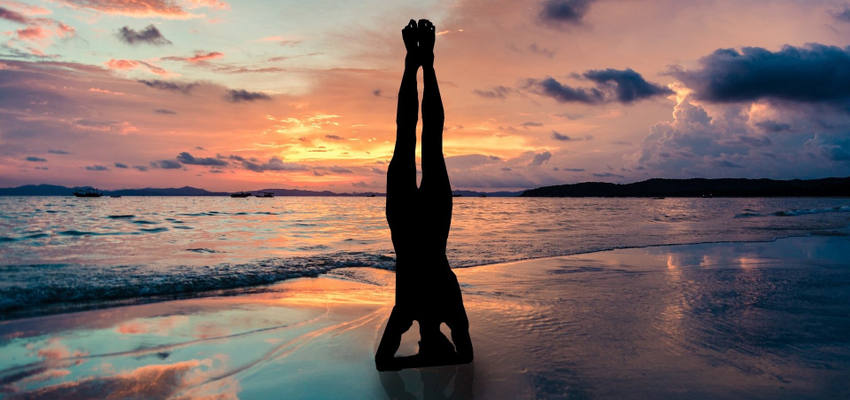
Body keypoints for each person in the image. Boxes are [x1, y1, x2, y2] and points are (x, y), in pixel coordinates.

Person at [375, 19, 473, 371]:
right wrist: (424, 358)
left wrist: (427, 357)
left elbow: (463, 355)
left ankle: (420, 62)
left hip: (421, 223)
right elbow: (384, 362)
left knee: (423, 139)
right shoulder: (407, 312)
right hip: (414, 223)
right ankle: (419, 62)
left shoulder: (436, 308)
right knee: (420, 140)